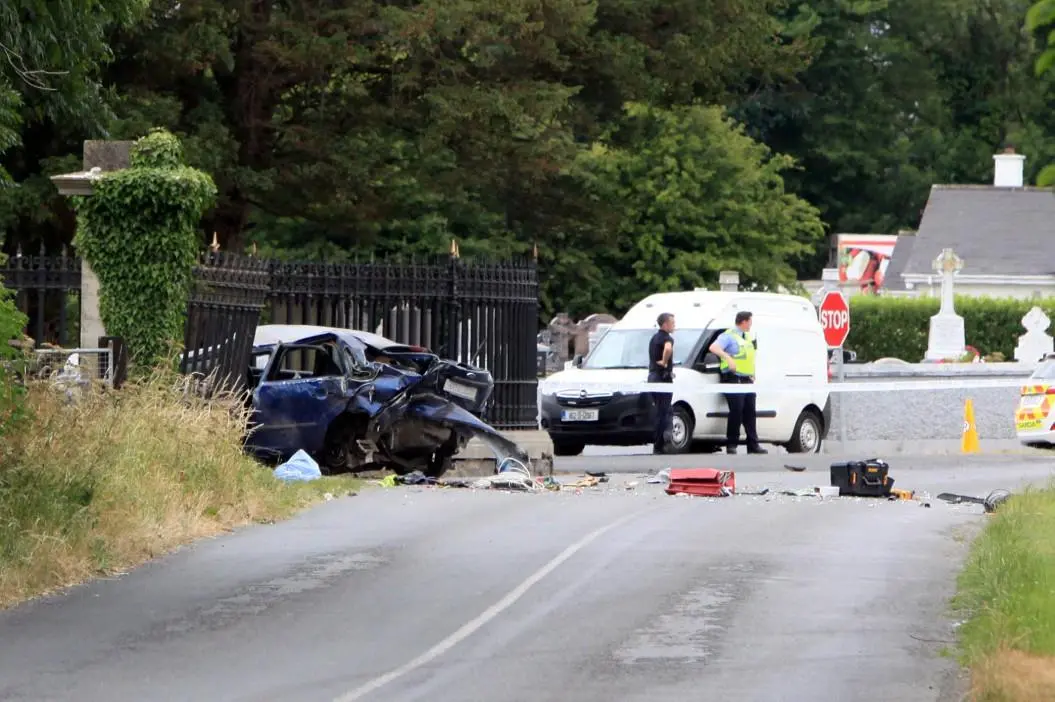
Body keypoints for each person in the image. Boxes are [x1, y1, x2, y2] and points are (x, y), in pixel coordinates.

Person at [709, 310, 768, 455]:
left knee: (750, 412)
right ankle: (732, 444)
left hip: (747, 379)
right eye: (750, 322)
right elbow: (714, 348)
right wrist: (727, 358)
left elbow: (749, 357)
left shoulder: (747, 337)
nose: (751, 325)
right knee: (736, 411)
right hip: (733, 378)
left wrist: (752, 373)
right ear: (744, 321)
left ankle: (753, 444)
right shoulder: (728, 336)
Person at [648, 312, 676, 454]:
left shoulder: (654, 338)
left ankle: (660, 442)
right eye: (672, 323)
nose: (674, 325)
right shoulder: (667, 338)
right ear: (665, 324)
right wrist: (665, 362)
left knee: (663, 410)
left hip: (652, 376)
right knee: (663, 411)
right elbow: (668, 348)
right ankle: (660, 444)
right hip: (663, 378)